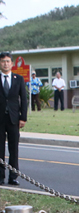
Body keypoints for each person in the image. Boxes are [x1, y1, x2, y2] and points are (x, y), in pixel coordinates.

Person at [0, 52, 27, 186]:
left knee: (13, 149)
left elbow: (24, 99)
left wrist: (23, 118)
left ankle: (13, 176)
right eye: (3, 61)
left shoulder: (18, 79)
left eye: (7, 61)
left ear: (11, 63)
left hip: (14, 119)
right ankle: (0, 176)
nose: (5, 64)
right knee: (0, 149)